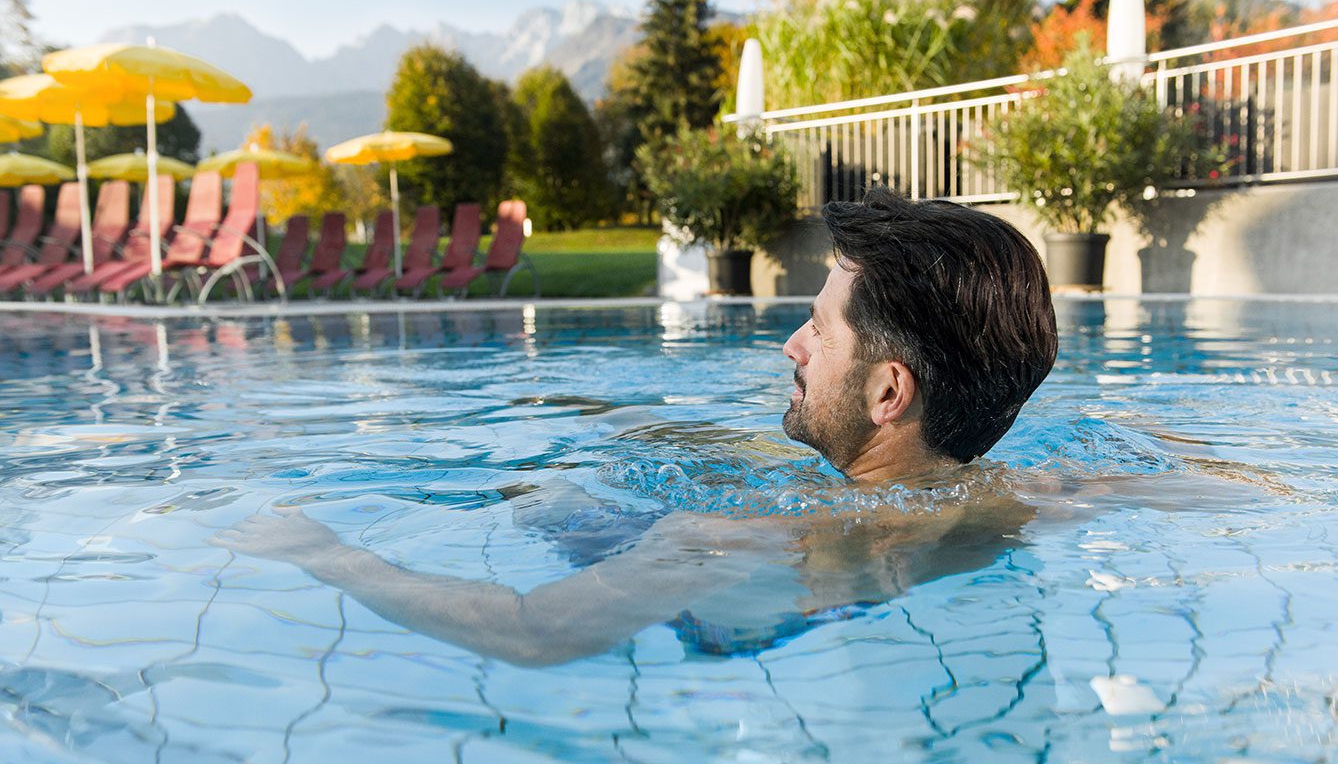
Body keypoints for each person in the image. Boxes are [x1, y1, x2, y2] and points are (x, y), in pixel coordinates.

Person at [212, 188, 1060, 666]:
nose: (791, 344)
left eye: (819, 328)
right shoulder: (1015, 495)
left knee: (539, 493)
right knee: (651, 447)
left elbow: (530, 631)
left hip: (732, 614)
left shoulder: (742, 536)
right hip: (823, 579)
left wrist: (321, 551)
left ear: (889, 393)